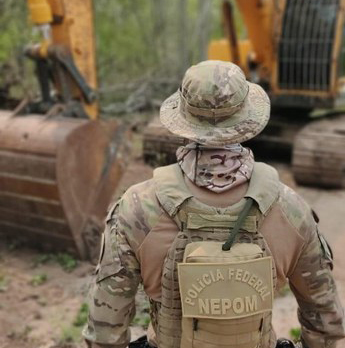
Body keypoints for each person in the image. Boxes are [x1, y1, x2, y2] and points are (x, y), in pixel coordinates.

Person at [82, 61, 345, 348]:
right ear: (249, 120)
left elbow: (105, 331)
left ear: (182, 120)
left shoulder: (137, 208)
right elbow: (325, 323)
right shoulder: (291, 210)